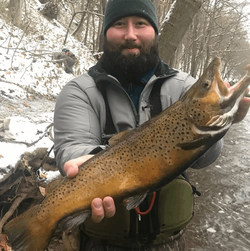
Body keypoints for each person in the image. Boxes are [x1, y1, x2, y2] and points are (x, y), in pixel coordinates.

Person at [53, 0, 250, 250]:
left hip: (170, 240)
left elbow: (203, 159)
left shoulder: (183, 86)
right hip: (99, 240)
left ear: (156, 31)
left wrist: (223, 122)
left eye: (141, 24)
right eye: (119, 24)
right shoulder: (79, 91)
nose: (130, 34)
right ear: (105, 33)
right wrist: (90, 166)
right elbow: (72, 145)